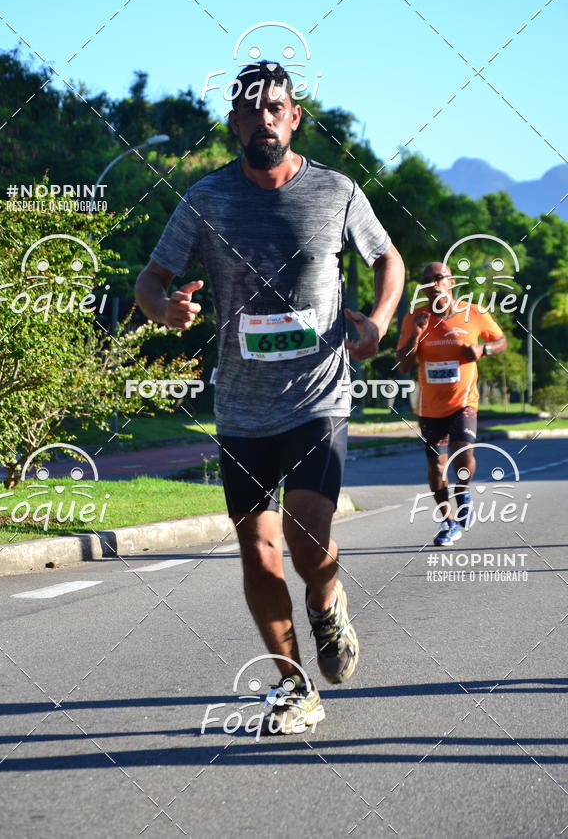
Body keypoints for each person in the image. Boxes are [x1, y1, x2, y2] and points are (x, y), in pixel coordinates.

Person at [135, 61, 404, 733]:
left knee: (307, 545)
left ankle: (327, 597)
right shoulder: (206, 199)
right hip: (242, 408)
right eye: (250, 111)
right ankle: (294, 687)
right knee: (257, 551)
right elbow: (152, 278)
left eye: (276, 108)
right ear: (234, 123)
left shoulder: (336, 192)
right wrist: (161, 309)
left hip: (319, 398)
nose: (264, 120)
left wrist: (377, 320)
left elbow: (387, 258)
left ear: (294, 118)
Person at [396, 262, 507, 546]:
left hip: (463, 401)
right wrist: (416, 334)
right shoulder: (413, 319)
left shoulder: (473, 313)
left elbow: (501, 341)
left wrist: (484, 349)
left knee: (464, 454)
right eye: (426, 280)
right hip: (429, 408)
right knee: (436, 469)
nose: (432, 284)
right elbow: (404, 365)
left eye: (437, 278)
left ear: (451, 282)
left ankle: (464, 493)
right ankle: (448, 522)